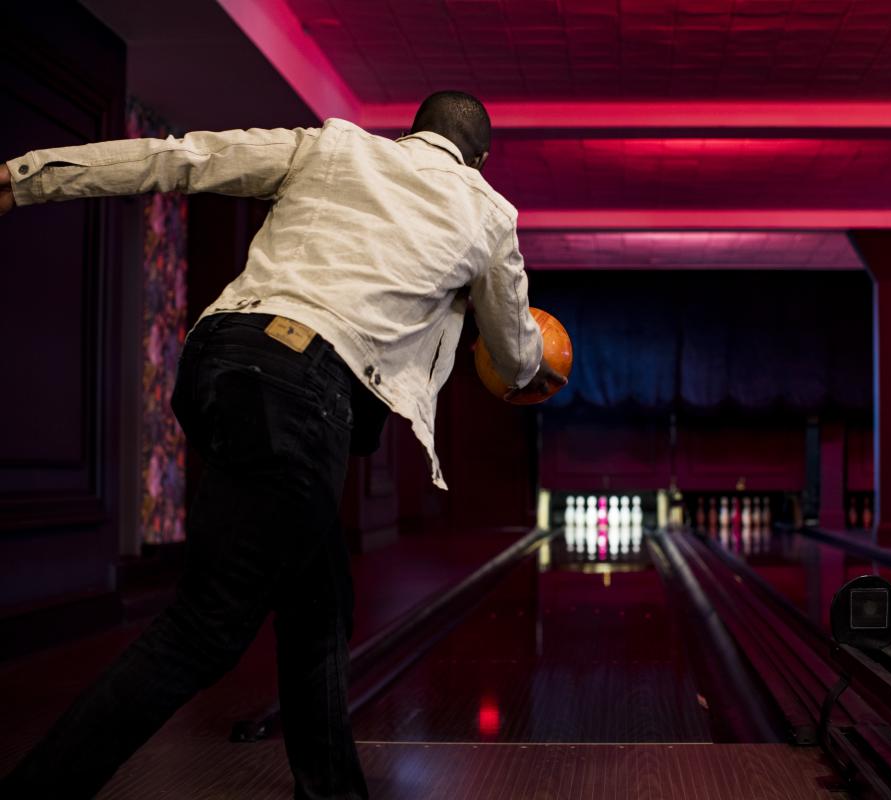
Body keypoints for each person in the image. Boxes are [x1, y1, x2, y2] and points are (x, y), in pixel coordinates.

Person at [0, 90, 565, 799]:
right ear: (480, 160)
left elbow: (182, 159)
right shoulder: (488, 212)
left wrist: (23, 178)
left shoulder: (335, 144)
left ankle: (329, 789)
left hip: (218, 360)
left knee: (318, 598)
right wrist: (530, 369)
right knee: (204, 629)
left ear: (410, 132)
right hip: (302, 396)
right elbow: (515, 361)